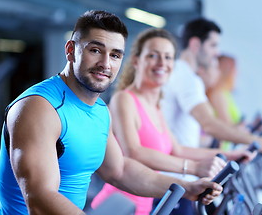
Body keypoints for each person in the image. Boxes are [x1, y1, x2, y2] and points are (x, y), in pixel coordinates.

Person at [0, 10, 223, 215]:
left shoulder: (100, 110)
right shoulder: (40, 107)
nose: (106, 63)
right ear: (71, 50)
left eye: (115, 55)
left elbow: (120, 170)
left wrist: (186, 188)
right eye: (95, 50)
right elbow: (40, 198)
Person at [91, 28, 253, 215]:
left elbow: (178, 150)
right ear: (136, 60)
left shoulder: (156, 106)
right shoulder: (124, 99)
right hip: (119, 207)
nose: (162, 63)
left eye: (168, 57)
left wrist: (232, 155)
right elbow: (134, 152)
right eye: (153, 55)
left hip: (146, 206)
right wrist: (194, 168)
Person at [161, 18, 262, 155]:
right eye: (213, 45)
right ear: (195, 44)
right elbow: (209, 124)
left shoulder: (178, 72)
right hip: (179, 171)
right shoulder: (187, 78)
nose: (217, 53)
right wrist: (258, 141)